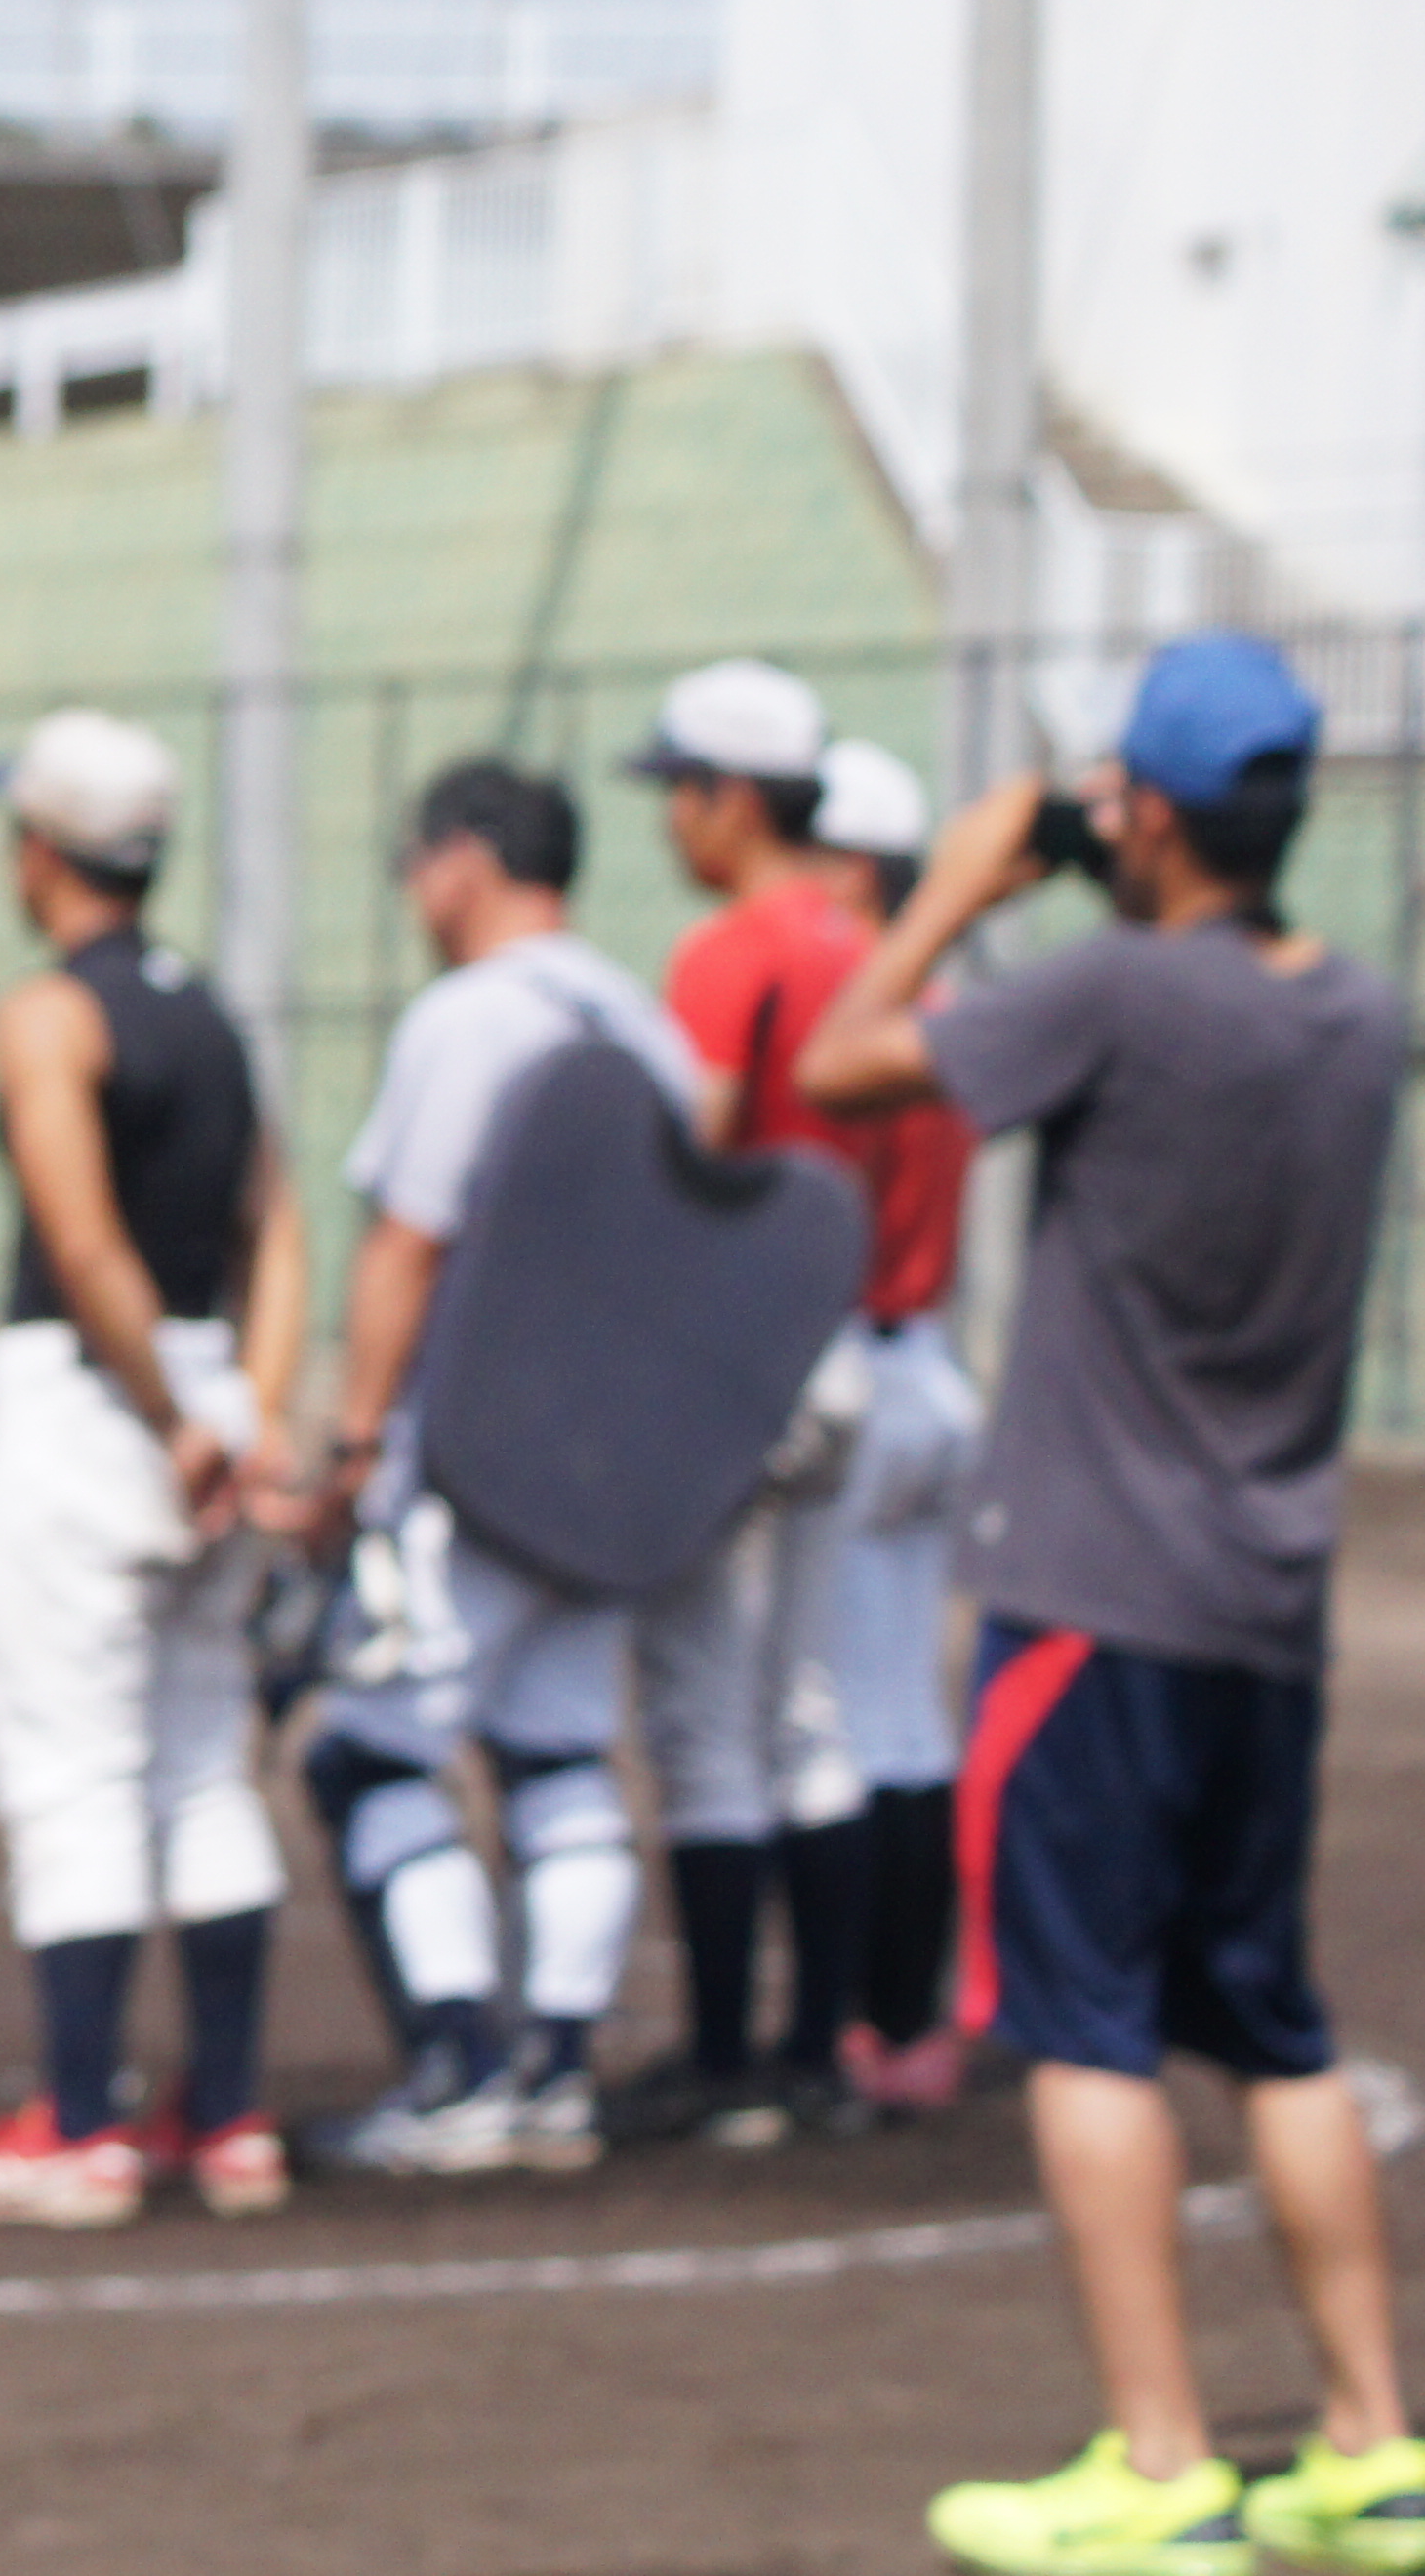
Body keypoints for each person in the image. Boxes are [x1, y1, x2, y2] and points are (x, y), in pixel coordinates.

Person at [796, 634, 1425, 2573]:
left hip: (1087, 1593)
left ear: (1140, 809)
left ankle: (1158, 2465)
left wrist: (951, 889)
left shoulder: (1111, 995)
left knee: (1084, 2025)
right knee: (1273, 2023)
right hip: (1261, 1600)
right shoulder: (1360, 1018)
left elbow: (837, 1066)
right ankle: (1368, 2446)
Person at [0, 709, 308, 2231]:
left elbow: (80, 1243)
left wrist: (169, 1415)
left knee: (70, 1764)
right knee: (201, 1755)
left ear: (43, 852)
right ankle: (231, 2115)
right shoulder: (213, 1018)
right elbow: (278, 1234)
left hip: (94, 1405)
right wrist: (248, 1410)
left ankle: (81, 2127)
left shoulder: (46, 1016)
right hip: (201, 1391)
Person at [284, 760, 683, 2177]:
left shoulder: (470, 1018)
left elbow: (409, 1241)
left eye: (415, 860)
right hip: (617, 1461)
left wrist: (352, 1446)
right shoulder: (639, 1020)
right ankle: (559, 2072)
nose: (411, 889)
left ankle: (457, 2069)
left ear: (467, 858)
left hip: (476, 1456)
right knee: (556, 1749)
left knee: (373, 1754)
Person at [608, 657, 898, 2147]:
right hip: (847, 1346)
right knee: (812, 1707)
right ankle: (817, 2055)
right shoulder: (869, 947)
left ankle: (725, 2058)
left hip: (736, 1362)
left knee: (702, 1718)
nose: (672, 820)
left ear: (733, 799)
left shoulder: (730, 951)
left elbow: (696, 1155)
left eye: (680, 792)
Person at [801, 737, 988, 2114]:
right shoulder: (949, 1013)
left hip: (856, 1376)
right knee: (907, 1712)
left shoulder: (859, 1029)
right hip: (929, 1367)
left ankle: (864, 2019)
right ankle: (911, 2019)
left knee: (847, 1719)